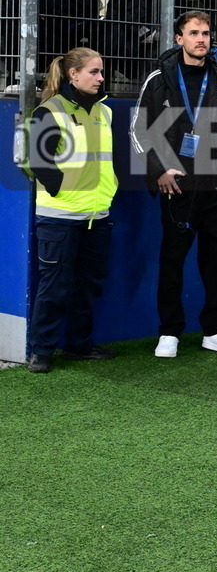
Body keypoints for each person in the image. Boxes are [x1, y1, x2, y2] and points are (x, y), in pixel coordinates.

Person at [129, 10, 217, 359]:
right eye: (194, 33)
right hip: (177, 187)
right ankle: (169, 333)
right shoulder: (159, 79)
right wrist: (160, 170)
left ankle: (216, 329)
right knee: (173, 260)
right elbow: (139, 130)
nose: (202, 39)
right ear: (178, 38)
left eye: (206, 33)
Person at [25, 47, 117, 373]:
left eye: (102, 71)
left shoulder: (104, 112)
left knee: (88, 286)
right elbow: (37, 162)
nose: (101, 78)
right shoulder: (48, 111)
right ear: (73, 74)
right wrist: (63, 191)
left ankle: (79, 346)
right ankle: (41, 351)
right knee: (55, 286)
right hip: (59, 218)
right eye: (94, 72)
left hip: (98, 217)